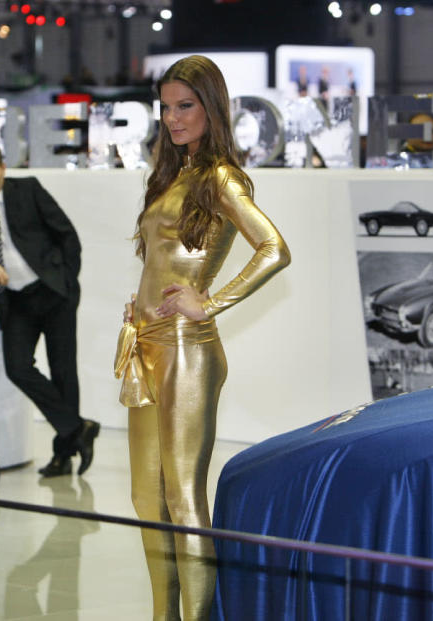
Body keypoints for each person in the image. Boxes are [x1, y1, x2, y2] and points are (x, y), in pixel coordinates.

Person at [121, 55, 290, 620]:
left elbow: (274, 248)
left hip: (188, 352)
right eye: (166, 108)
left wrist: (208, 301)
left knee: (183, 498)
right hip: (145, 346)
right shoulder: (173, 174)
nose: (172, 118)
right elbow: (162, 257)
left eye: (184, 106)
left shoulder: (219, 176)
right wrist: (142, 302)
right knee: (146, 498)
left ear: (210, 107)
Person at [0, 143, 99, 478]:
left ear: (3, 167)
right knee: (18, 366)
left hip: (54, 292)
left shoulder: (28, 189)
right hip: (15, 300)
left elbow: (67, 235)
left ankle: (62, 455)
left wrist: (67, 281)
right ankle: (77, 428)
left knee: (63, 371)